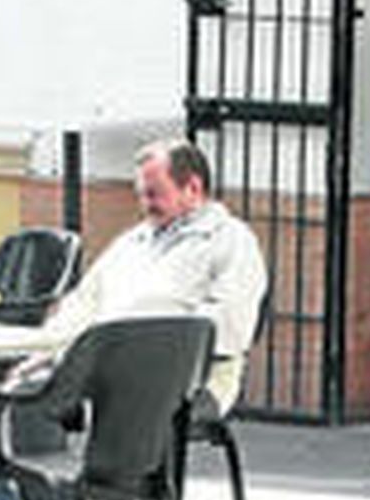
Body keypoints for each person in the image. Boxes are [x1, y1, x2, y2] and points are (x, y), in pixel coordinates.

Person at [17, 137, 268, 418]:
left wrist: (144, 347)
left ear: (193, 188)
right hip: (112, 358)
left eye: (154, 194)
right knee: (19, 383)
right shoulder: (132, 241)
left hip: (189, 373)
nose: (145, 205)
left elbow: (229, 321)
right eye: (141, 195)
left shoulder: (232, 240)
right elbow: (86, 300)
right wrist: (49, 345)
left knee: (116, 393)